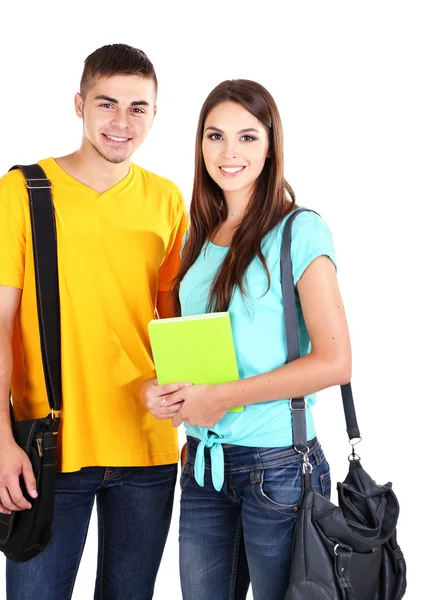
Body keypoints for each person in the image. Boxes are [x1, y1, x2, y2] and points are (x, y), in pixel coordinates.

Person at [0, 43, 188, 600]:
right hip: (48, 451)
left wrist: (195, 411)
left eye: (138, 107)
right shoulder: (18, 194)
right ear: (79, 104)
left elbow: (174, 319)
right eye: (107, 103)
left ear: (155, 116)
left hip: (148, 449)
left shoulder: (167, 200)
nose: (121, 121)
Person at [140, 79, 352, 600]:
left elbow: (336, 361)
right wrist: (160, 389)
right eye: (215, 137)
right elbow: (202, 351)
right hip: (204, 466)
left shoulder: (299, 232)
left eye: (247, 137)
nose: (228, 152)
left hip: (278, 469)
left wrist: (221, 398)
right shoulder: (197, 237)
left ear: (271, 144)